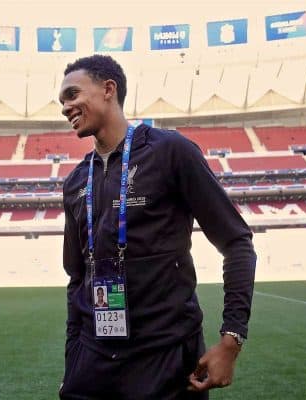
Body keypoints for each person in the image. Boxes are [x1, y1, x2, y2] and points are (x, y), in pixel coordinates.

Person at [57, 55, 256, 399]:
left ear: (108, 90)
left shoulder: (170, 152)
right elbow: (77, 278)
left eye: (73, 95)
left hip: (166, 358)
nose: (65, 107)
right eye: (62, 102)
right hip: (93, 361)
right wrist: (73, 358)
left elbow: (237, 242)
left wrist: (231, 341)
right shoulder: (75, 181)